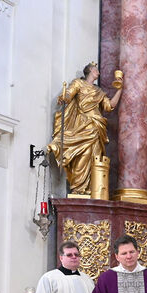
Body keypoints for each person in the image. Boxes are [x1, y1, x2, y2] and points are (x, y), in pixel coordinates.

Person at [47, 62, 122, 195]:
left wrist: (120, 89)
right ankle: (78, 188)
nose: (98, 72)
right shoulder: (78, 83)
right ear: (90, 71)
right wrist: (64, 97)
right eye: (96, 70)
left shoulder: (99, 91)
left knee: (95, 158)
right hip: (82, 125)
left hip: (97, 127)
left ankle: (91, 190)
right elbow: (69, 94)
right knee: (83, 155)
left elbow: (110, 105)